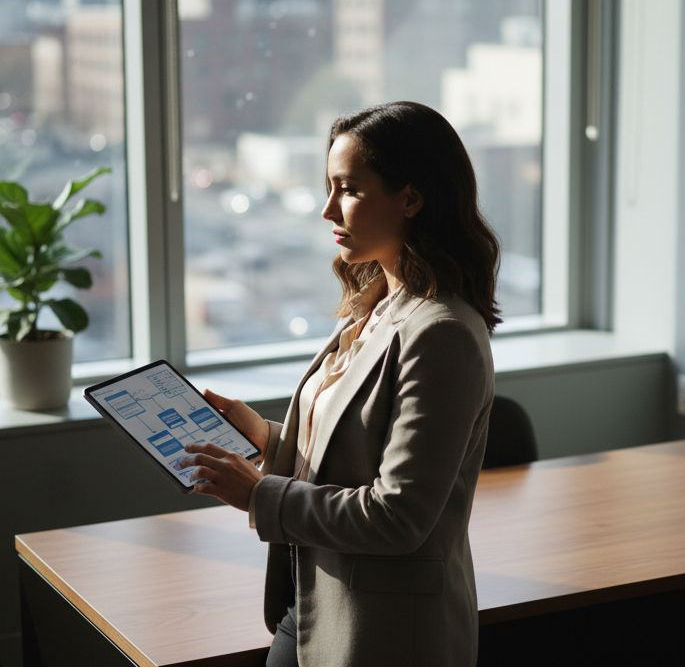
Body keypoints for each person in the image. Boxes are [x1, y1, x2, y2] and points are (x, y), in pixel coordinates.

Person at [177, 101, 501, 666]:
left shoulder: (442, 333)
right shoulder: (376, 305)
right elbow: (350, 458)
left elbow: (398, 516)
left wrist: (257, 495)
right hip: (313, 608)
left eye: (348, 189)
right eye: (329, 187)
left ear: (411, 197)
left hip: (384, 635)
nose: (328, 208)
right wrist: (266, 438)